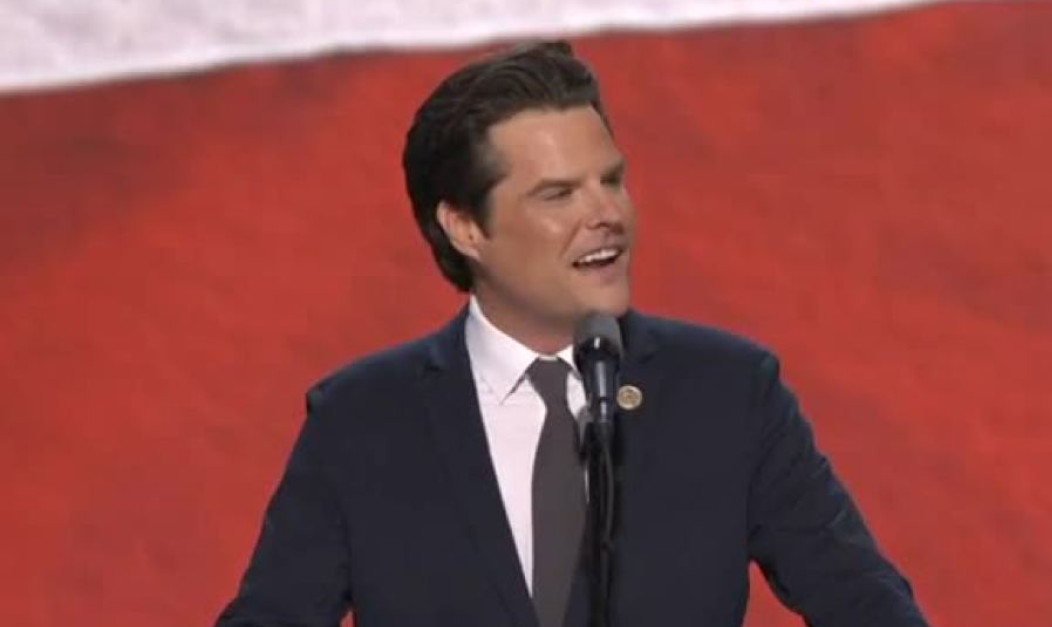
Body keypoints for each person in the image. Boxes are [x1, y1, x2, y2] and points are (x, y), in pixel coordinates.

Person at [215, 41, 929, 627]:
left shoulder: (729, 394)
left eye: (611, 180)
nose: (606, 214)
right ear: (465, 227)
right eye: (558, 194)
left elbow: (866, 604)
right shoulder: (363, 421)